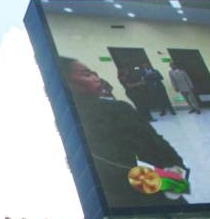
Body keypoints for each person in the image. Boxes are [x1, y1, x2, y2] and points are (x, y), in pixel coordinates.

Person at [60, 58, 188, 208]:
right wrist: (176, 182)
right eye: (87, 74)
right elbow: (159, 151)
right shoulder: (115, 111)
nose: (96, 77)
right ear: (65, 83)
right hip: (136, 195)